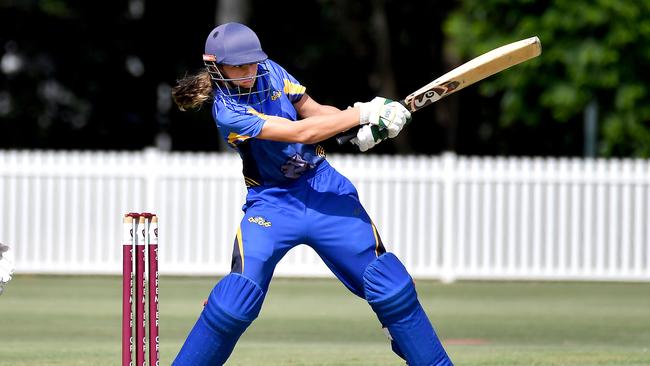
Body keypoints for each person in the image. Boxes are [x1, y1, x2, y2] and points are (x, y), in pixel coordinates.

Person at [170, 22, 453, 366]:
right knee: (235, 301)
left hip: (324, 190)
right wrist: (363, 112)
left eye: (252, 63)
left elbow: (315, 114)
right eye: (238, 67)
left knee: (390, 285)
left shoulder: (270, 70)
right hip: (271, 205)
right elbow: (300, 132)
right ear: (216, 67)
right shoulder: (228, 111)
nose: (249, 72)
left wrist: (363, 128)